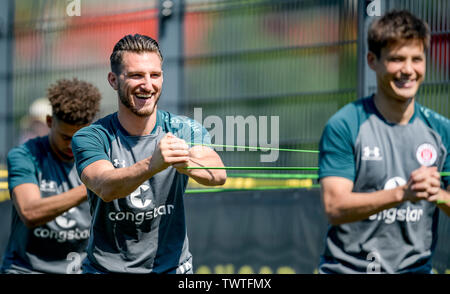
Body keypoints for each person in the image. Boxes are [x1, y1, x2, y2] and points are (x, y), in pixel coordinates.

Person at [71, 34, 227, 274]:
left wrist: (185, 162)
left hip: (173, 269)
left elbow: (218, 173)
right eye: (136, 75)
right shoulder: (91, 137)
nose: (148, 85)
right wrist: (152, 165)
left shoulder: (182, 128)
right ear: (113, 80)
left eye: (155, 75)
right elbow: (106, 187)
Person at [318, 10, 450, 274]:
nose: (408, 70)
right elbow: (335, 206)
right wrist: (402, 193)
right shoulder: (345, 125)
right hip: (348, 270)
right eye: (397, 59)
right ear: (372, 61)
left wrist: (438, 196)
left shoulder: (441, 131)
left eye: (417, 59)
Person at [1, 78, 102, 274]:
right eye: (65, 137)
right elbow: (30, 212)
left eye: (79, 138)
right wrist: (94, 185)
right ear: (49, 121)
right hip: (25, 270)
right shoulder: (25, 155)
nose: (72, 145)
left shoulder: (100, 158)